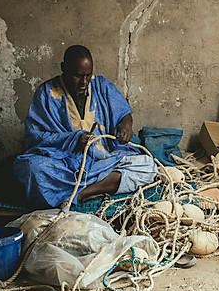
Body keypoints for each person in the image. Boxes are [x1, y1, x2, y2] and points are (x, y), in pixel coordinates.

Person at [13, 45, 157, 207]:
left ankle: (82, 193)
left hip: (103, 161)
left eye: (88, 76)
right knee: (31, 169)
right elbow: (35, 136)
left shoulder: (101, 87)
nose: (84, 82)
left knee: (147, 166)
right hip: (63, 164)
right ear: (63, 69)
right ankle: (100, 186)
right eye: (77, 76)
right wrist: (74, 139)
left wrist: (126, 125)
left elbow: (124, 114)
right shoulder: (47, 93)